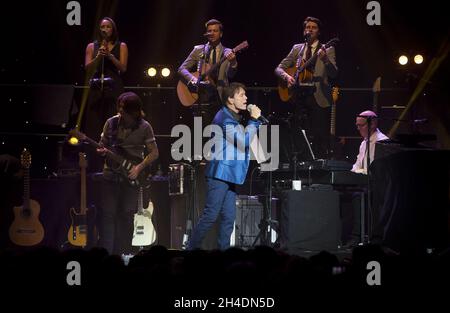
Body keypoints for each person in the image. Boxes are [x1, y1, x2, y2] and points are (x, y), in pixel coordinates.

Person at [187, 83, 262, 250]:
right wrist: (254, 120)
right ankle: (190, 250)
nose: (246, 98)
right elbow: (243, 142)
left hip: (229, 174)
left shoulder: (232, 116)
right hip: (219, 174)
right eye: (241, 95)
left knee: (229, 217)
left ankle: (224, 253)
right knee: (210, 215)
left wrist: (254, 122)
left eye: (245, 95)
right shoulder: (224, 119)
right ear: (230, 99)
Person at [96, 92, 159, 255]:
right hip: (110, 175)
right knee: (107, 216)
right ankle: (107, 255)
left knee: (126, 216)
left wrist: (138, 168)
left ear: (135, 112)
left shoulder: (145, 126)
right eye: (120, 109)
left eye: (124, 111)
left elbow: (154, 153)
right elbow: (102, 145)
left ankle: (126, 254)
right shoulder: (111, 123)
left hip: (131, 178)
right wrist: (102, 151)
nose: (121, 113)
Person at [274, 16, 338, 160]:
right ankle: (301, 166)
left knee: (319, 135)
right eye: (307, 27)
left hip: (318, 96)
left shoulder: (328, 49)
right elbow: (278, 69)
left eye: (313, 27)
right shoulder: (297, 48)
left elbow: (334, 73)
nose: (310, 30)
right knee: (298, 134)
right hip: (298, 97)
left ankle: (320, 168)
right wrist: (287, 77)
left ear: (319, 32)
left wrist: (325, 60)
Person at [84, 17, 128, 170]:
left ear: (113, 29)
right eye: (102, 26)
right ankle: (94, 164)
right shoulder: (92, 46)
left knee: (113, 126)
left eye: (108, 26)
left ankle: (113, 164)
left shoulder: (121, 45)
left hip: (114, 89)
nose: (105, 29)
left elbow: (122, 68)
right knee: (94, 125)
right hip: (97, 88)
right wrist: (98, 57)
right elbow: (87, 67)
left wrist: (109, 56)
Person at [178, 18, 237, 124]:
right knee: (202, 133)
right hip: (201, 97)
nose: (212, 33)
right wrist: (192, 79)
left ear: (221, 34)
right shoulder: (198, 50)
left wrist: (233, 62)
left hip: (220, 97)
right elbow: (182, 69)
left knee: (219, 131)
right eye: (209, 31)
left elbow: (231, 75)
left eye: (215, 31)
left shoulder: (227, 52)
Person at [344, 110, 389, 248]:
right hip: (363, 181)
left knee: (357, 196)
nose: (358, 129)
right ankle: (344, 235)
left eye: (361, 125)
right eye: (357, 125)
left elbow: (377, 170)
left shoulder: (382, 142)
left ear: (373, 124)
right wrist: (347, 174)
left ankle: (357, 237)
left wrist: (358, 172)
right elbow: (357, 165)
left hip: (377, 185)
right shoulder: (364, 143)